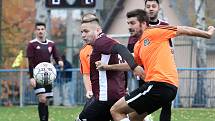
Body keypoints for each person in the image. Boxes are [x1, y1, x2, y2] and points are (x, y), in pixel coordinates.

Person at [96, 9, 214, 121]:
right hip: (165, 89)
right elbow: (132, 65)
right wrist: (108, 67)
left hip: (160, 85)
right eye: (128, 23)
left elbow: (183, 29)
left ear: (143, 23)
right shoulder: (138, 46)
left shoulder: (155, 32)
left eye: (132, 23)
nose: (129, 27)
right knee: (134, 117)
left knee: (116, 110)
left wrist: (207, 34)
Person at [76, 14, 144, 121]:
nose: (83, 35)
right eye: (81, 32)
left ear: (97, 30)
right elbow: (122, 69)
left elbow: (121, 48)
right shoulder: (101, 43)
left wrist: (134, 66)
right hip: (112, 96)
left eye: (86, 31)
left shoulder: (101, 41)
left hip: (105, 98)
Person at [26, 22, 64, 121]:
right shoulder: (32, 44)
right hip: (37, 75)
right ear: (35, 31)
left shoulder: (51, 44)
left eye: (42, 29)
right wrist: (31, 77)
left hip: (48, 76)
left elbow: (56, 55)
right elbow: (30, 62)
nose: (40, 31)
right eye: (38, 29)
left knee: (46, 100)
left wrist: (59, 61)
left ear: (45, 31)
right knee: (42, 98)